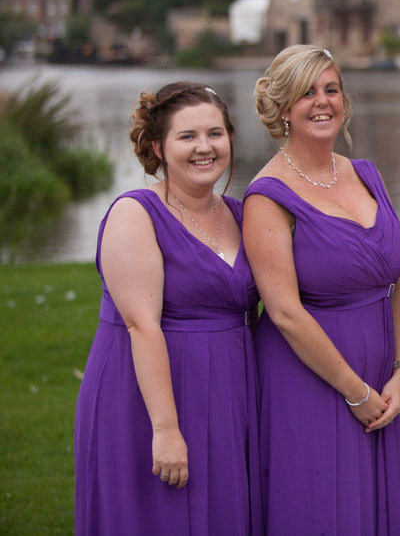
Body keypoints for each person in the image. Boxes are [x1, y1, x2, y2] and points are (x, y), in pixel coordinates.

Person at [74, 82, 261, 535]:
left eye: (215, 133)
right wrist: (165, 429)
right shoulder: (135, 214)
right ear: (158, 147)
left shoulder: (241, 214)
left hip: (230, 393)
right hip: (150, 398)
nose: (205, 147)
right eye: (187, 136)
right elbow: (140, 325)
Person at [245, 45, 400, 535]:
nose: (322, 102)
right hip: (310, 381)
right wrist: (354, 392)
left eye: (331, 89)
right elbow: (284, 311)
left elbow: (397, 278)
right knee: (319, 508)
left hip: (379, 382)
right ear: (282, 108)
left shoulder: (367, 174)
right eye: (306, 92)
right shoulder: (267, 196)